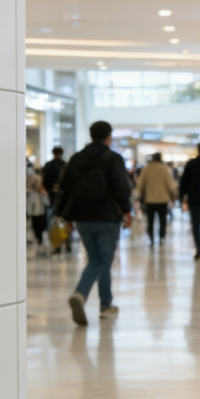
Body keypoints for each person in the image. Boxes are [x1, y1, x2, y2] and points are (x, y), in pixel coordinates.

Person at [57, 121, 133, 326]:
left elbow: (66, 188)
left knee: (97, 260)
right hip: (107, 217)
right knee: (101, 261)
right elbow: (121, 186)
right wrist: (127, 210)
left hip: (82, 217)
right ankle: (83, 295)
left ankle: (105, 304)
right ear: (108, 137)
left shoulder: (77, 159)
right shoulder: (113, 158)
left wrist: (65, 216)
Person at [135, 152, 178, 247]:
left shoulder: (146, 169)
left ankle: (151, 239)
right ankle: (161, 238)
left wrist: (137, 194)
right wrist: (175, 194)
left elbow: (140, 184)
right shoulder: (165, 169)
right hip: (163, 200)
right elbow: (170, 184)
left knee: (150, 221)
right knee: (163, 220)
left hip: (149, 200)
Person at [41, 147, 70, 254]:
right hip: (65, 196)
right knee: (65, 219)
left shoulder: (49, 165)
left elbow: (44, 179)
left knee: (54, 219)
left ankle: (57, 243)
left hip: (52, 195)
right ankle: (67, 242)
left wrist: (50, 188)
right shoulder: (65, 165)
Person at [26, 167, 49, 253]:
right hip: (35, 214)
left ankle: (40, 241)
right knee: (36, 229)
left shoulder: (42, 194)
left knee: (42, 228)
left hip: (42, 213)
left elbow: (47, 203)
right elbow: (29, 204)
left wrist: (44, 194)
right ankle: (38, 241)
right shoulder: (32, 194)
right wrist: (28, 213)